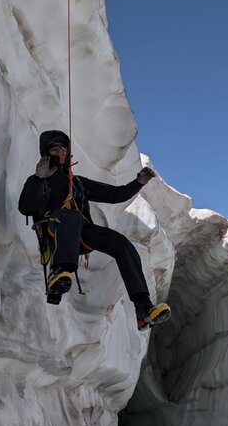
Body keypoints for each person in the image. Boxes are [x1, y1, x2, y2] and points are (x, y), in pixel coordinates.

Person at [18, 130, 171, 330]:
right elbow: (26, 207)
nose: (60, 151)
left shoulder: (78, 182)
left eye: (63, 148)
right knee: (71, 216)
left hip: (81, 233)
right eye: (54, 148)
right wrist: (39, 179)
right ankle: (59, 271)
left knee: (121, 244)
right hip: (53, 232)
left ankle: (143, 309)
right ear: (46, 153)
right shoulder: (40, 180)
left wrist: (138, 183)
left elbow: (114, 195)